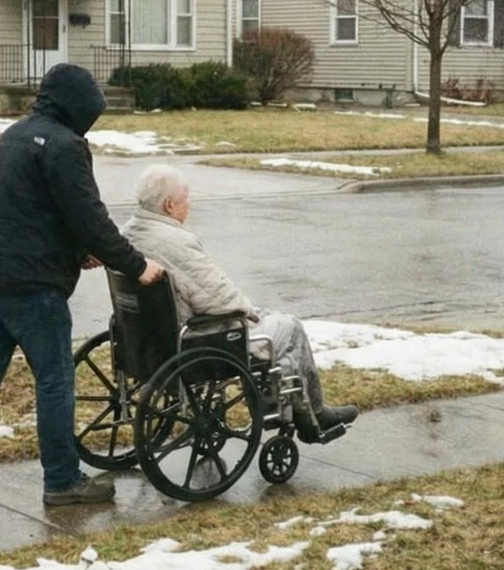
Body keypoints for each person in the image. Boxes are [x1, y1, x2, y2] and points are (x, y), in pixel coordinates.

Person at [0, 65, 164, 512]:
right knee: (55, 379)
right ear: (75, 106)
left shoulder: (14, 136)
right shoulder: (64, 145)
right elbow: (88, 217)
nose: (91, 123)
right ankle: (62, 482)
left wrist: (75, 253)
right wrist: (136, 265)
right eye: (90, 113)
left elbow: (30, 211)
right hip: (31, 287)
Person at [122, 165, 357, 439]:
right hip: (196, 338)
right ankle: (312, 414)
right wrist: (248, 312)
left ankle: (301, 411)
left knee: (273, 325)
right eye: (187, 199)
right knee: (289, 328)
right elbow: (219, 300)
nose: (190, 205)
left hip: (146, 338)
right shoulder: (174, 242)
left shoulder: (129, 233)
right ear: (170, 204)